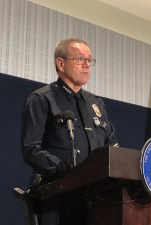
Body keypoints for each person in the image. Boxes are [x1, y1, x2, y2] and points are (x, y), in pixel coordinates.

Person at [21, 38, 119, 225]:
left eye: (90, 60)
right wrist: (68, 171)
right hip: (56, 198)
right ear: (60, 63)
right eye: (80, 59)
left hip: (96, 199)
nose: (86, 65)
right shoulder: (41, 100)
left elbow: (111, 144)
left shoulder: (96, 104)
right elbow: (31, 149)